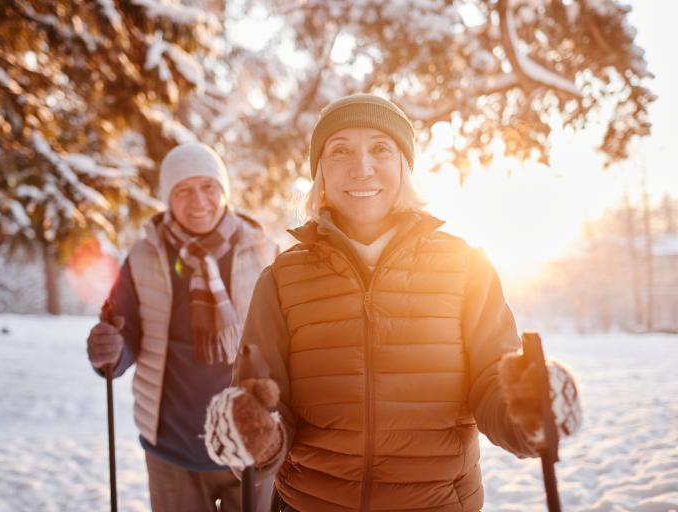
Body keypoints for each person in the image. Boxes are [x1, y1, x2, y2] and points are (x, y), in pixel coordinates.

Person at [203, 94, 582, 511]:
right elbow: (266, 402)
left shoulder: (465, 266)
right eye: (340, 150)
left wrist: (528, 412)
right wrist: (256, 436)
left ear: (405, 165)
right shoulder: (280, 279)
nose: (361, 167)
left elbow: (492, 381)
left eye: (381, 148)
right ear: (321, 174)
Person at [86, 142, 277, 512]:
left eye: (208, 187)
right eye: (183, 190)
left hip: (252, 440)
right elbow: (126, 334)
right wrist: (109, 351)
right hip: (173, 448)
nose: (199, 201)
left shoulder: (262, 250)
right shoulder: (145, 256)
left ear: (224, 191)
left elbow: (289, 338)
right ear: (167, 199)